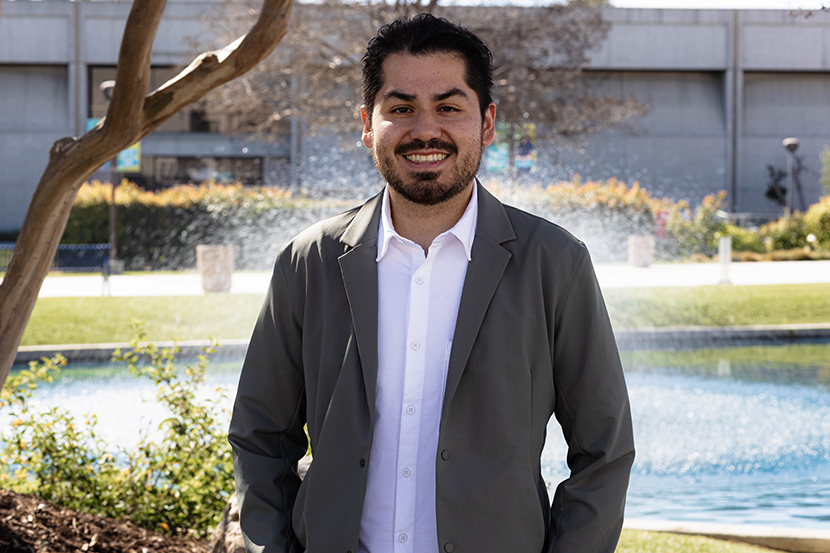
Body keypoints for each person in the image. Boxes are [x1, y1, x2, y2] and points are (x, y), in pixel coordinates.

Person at [229, 13, 634, 553]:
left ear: (486, 123)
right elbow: (259, 437)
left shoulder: (555, 263)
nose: (425, 129)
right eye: (401, 109)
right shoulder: (308, 262)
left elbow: (604, 451)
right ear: (369, 125)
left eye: (448, 107)